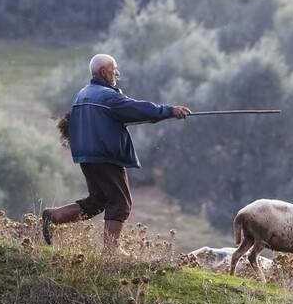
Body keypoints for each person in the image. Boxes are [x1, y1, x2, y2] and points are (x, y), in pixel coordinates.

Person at [41, 53, 190, 253]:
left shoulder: (83, 94)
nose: (117, 73)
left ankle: (55, 216)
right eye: (114, 69)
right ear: (103, 72)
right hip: (105, 156)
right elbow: (137, 109)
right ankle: (111, 250)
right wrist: (170, 111)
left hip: (87, 156)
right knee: (121, 202)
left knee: (97, 201)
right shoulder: (107, 96)